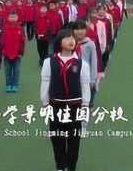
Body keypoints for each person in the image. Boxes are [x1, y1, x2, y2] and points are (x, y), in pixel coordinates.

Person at [40, 29, 91, 171]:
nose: (71, 40)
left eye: (73, 38)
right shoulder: (49, 62)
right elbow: (45, 83)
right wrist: (45, 103)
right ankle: (60, 166)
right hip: (56, 107)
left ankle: (71, 167)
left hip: (75, 108)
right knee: (57, 141)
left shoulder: (82, 64)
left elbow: (85, 85)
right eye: (67, 38)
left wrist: (85, 106)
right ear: (59, 42)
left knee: (74, 142)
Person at [1, 10, 25, 93]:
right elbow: (2, 41)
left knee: (16, 70)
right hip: (7, 53)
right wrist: (2, 50)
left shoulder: (20, 29)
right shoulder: (5, 28)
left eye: (14, 17)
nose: (12, 18)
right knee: (7, 70)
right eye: (11, 17)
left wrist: (21, 53)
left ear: (17, 18)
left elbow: (22, 42)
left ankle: (15, 85)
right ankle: (8, 85)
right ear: (8, 18)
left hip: (17, 54)